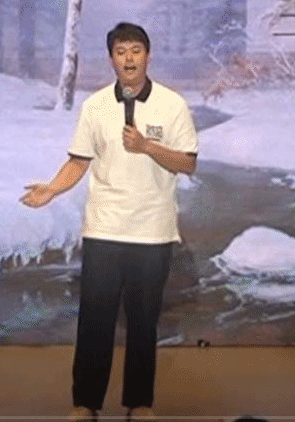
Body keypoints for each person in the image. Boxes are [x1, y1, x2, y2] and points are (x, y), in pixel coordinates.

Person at [20, 22, 198, 422]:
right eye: (121, 52)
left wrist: (148, 147)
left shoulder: (172, 105)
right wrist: (52, 189)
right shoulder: (95, 106)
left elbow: (187, 163)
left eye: (136, 51)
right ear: (111, 58)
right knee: (95, 321)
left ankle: (140, 403)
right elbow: (78, 160)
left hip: (152, 230)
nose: (129, 59)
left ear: (147, 56)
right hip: (103, 229)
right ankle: (85, 403)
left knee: (143, 323)